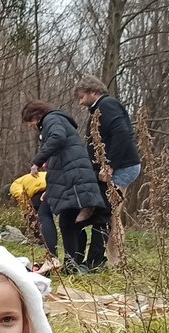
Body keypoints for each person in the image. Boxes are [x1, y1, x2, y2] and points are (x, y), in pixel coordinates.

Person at [21, 100, 106, 273]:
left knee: (45, 212)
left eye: (30, 122)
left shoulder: (51, 120)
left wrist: (37, 161)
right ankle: (71, 265)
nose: (30, 126)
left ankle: (52, 257)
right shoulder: (58, 120)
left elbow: (58, 138)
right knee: (68, 222)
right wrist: (49, 188)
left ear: (36, 116)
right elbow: (59, 161)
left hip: (73, 178)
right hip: (72, 177)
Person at [74, 74, 141, 193]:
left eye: (82, 97)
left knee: (107, 207)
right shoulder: (100, 107)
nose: (81, 102)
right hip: (117, 166)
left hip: (122, 166)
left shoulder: (107, 105)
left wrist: (110, 165)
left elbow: (121, 134)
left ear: (93, 92)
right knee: (104, 206)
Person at [7, 170, 65, 272]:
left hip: (43, 190)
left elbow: (21, 196)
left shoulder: (13, 186)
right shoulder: (25, 179)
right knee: (49, 218)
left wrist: (26, 211)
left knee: (44, 216)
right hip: (58, 184)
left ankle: (51, 255)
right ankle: (51, 247)